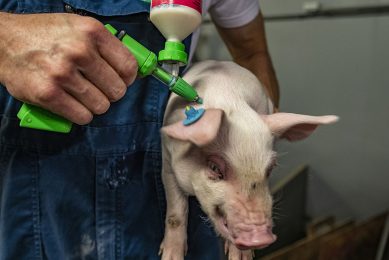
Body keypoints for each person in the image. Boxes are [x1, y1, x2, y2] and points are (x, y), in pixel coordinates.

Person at [0, 0, 279, 259]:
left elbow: (252, 52)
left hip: (165, 194)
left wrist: (256, 140)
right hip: (30, 187)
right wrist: (6, 36)